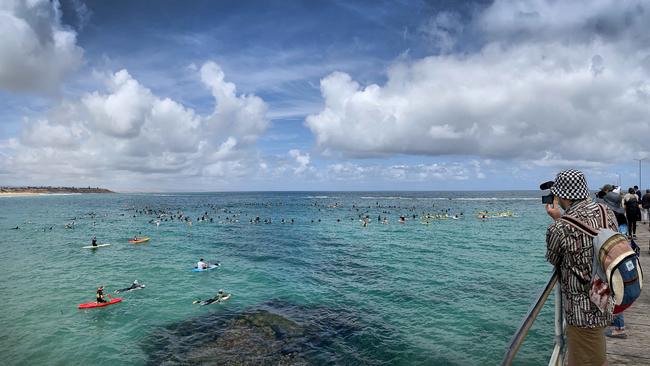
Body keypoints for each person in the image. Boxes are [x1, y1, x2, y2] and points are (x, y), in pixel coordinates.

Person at [545, 170, 616, 366]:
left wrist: (558, 220)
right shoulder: (605, 211)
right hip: (605, 294)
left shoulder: (559, 228)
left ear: (562, 195)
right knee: (595, 352)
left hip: (582, 309)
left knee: (584, 359)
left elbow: (553, 258)